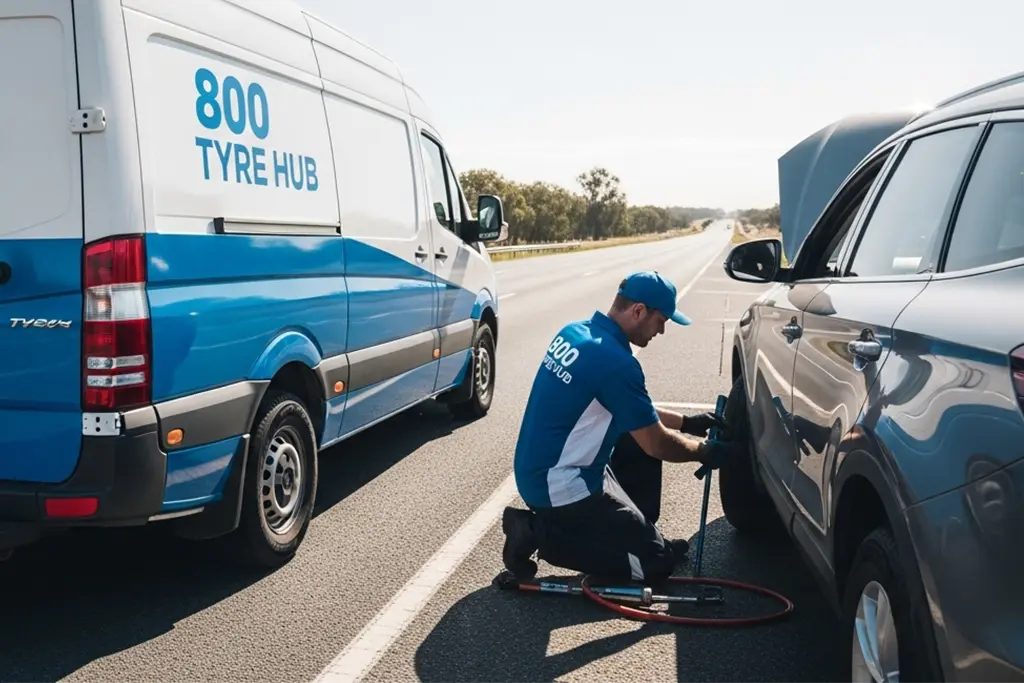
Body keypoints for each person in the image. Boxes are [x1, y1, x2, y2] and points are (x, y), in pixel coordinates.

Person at [502, 271, 735, 586]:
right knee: (655, 565)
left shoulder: (576, 332)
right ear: (638, 311)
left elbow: (630, 409)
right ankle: (536, 533)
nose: (662, 330)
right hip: (560, 486)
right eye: (661, 320)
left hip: (542, 469)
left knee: (632, 431)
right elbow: (657, 444)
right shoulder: (617, 363)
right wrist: (703, 451)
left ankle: (636, 534)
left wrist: (688, 422)